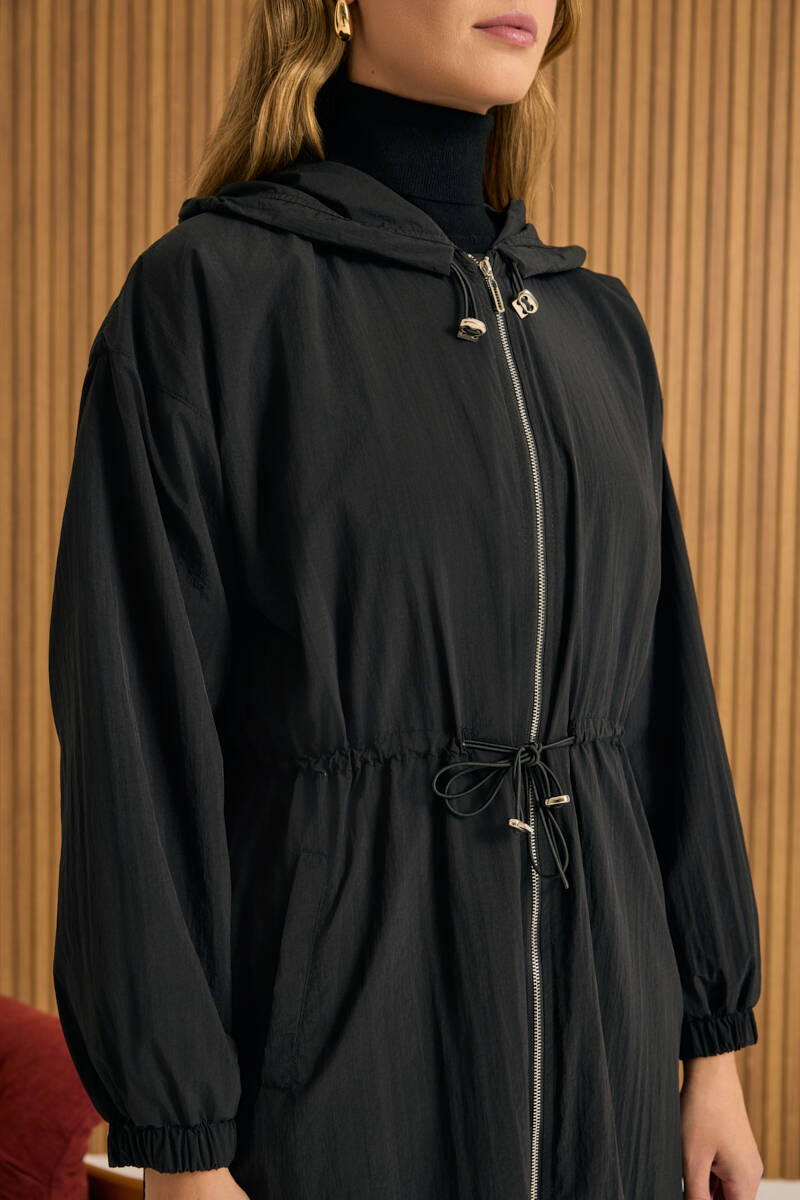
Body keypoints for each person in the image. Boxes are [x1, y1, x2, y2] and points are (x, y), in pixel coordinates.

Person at [48, 1, 764, 1198]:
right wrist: (181, 1145)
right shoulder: (211, 298)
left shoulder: (594, 323)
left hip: (607, 1057)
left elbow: (664, 706)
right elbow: (137, 737)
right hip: (340, 1050)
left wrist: (711, 1052)